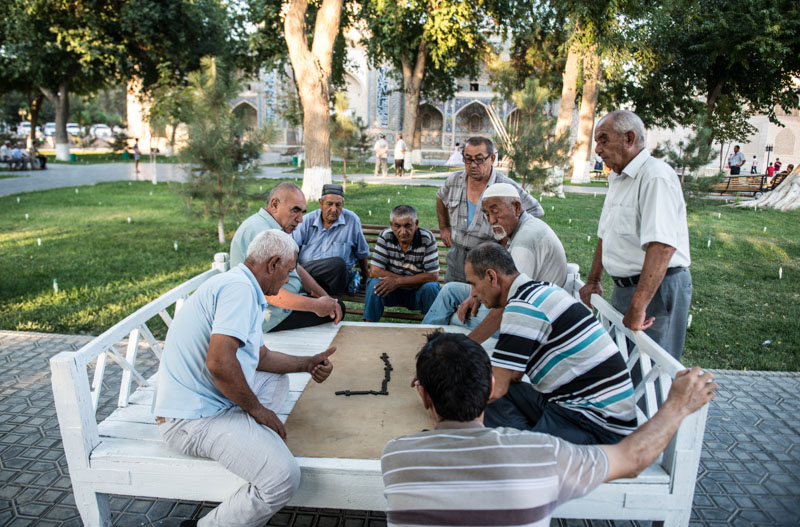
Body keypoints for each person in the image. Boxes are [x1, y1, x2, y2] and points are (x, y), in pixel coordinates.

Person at [382, 330, 716, 527]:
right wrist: (678, 405)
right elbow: (634, 458)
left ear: (424, 397)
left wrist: (437, 398)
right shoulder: (543, 453)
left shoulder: (395, 457)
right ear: (489, 390)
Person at [154, 229, 336, 527]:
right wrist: (257, 411)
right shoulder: (238, 291)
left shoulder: (241, 285)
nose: (288, 281)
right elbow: (220, 363)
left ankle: (245, 435)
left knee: (277, 380)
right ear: (273, 263)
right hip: (189, 419)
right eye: (288, 272)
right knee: (283, 477)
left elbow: (262, 358)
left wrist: (307, 363)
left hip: (207, 401)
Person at [464, 243, 637, 444]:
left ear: (492, 277)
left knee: (478, 402)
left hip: (596, 423)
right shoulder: (541, 291)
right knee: (484, 395)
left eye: (473, 284)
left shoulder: (522, 309)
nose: (473, 293)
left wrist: (442, 396)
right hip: (572, 405)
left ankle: (527, 444)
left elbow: (498, 387)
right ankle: (529, 437)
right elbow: (513, 375)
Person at [580, 110, 692, 361]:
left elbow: (662, 246)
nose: (597, 149)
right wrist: (593, 279)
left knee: (651, 371)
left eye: (603, 140)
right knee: (622, 367)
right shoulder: (618, 177)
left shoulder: (655, 177)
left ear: (629, 139)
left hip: (657, 290)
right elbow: (605, 232)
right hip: (626, 288)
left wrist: (639, 305)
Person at [423, 183, 567, 342]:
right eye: (486, 214)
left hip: (530, 317)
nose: (491, 220)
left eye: (496, 212)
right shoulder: (522, 227)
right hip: (515, 301)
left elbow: (510, 304)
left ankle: (425, 346)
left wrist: (467, 345)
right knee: (450, 291)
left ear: (517, 208)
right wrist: (476, 295)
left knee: (453, 318)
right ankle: (421, 341)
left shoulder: (524, 242)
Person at [231, 181, 345, 332]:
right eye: (295, 210)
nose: (300, 219)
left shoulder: (273, 228)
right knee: (339, 308)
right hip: (272, 316)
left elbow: (296, 268)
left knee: (335, 288)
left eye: (302, 212)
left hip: (285, 303)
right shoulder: (262, 233)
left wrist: (324, 297)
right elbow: (267, 293)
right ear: (274, 205)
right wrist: (317, 306)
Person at [436, 136, 544, 283]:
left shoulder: (505, 186)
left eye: (479, 159)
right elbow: (440, 197)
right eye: (468, 159)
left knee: (480, 303)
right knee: (452, 298)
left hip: (487, 261)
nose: (473, 165)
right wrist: (444, 227)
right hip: (457, 256)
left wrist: (507, 239)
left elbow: (535, 211)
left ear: (492, 158)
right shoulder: (454, 180)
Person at [363, 205, 440, 321]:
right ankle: (368, 328)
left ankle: (433, 329)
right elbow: (374, 271)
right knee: (375, 283)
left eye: (408, 226)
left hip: (416, 293)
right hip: (390, 291)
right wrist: (408, 281)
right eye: (397, 226)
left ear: (416, 224)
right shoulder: (385, 236)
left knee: (431, 287)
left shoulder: (427, 238)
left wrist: (398, 281)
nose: (403, 232)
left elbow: (433, 276)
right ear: (391, 225)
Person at [291, 183, 370, 295]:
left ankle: (307, 286)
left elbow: (362, 253)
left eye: (338, 205)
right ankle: (312, 291)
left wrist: (366, 278)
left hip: (335, 280)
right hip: (308, 278)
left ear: (343, 205)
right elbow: (292, 248)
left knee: (338, 264)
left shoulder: (352, 220)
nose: (334, 209)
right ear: (320, 203)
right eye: (329, 204)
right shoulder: (307, 220)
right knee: (300, 270)